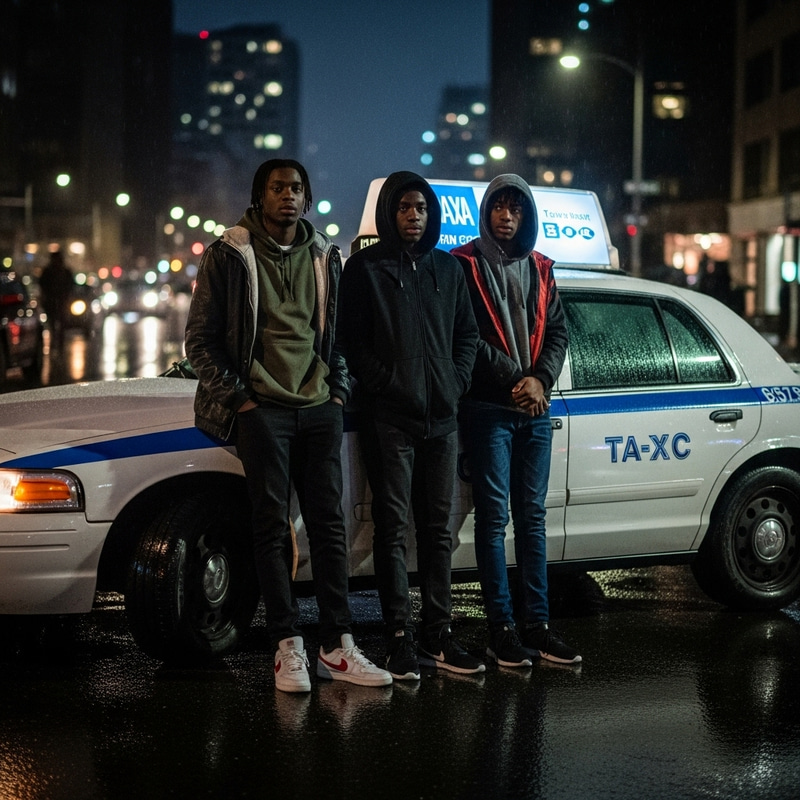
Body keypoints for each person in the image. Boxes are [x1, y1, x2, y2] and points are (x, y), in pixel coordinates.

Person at [185, 158, 391, 693]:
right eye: (278, 188)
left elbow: (339, 337)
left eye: (297, 189)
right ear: (259, 197)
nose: (289, 197)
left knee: (329, 527)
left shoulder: (325, 254)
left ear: (307, 196)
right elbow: (200, 341)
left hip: (319, 406)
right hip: (263, 411)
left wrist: (337, 390)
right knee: (271, 527)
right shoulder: (229, 254)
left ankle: (337, 647)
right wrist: (241, 399)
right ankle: (287, 646)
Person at [340, 171, 484, 680]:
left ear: (432, 214)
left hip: (443, 419)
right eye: (403, 207)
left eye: (421, 207)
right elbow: (351, 342)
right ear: (389, 213)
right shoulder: (364, 269)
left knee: (438, 531)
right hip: (391, 420)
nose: (413, 215)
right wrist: (386, 384)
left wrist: (455, 382)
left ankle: (438, 633)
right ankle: (398, 636)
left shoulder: (448, 269)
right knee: (393, 528)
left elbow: (467, 334)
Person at [451, 174, 581, 666]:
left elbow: (559, 333)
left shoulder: (542, 267)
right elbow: (465, 336)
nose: (506, 216)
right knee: (493, 521)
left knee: (533, 520)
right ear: (486, 213)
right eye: (499, 207)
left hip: (535, 409)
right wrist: (519, 380)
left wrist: (541, 382)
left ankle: (538, 626)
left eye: (515, 209)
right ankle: (500, 629)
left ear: (526, 216)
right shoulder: (463, 264)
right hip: (489, 409)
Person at [39, 249, 74, 351]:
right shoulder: (49, 272)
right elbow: (43, 285)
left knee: (61, 324)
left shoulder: (65, 272)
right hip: (52, 302)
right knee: (53, 324)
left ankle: (59, 345)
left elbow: (70, 286)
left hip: (61, 301)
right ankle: (55, 345)